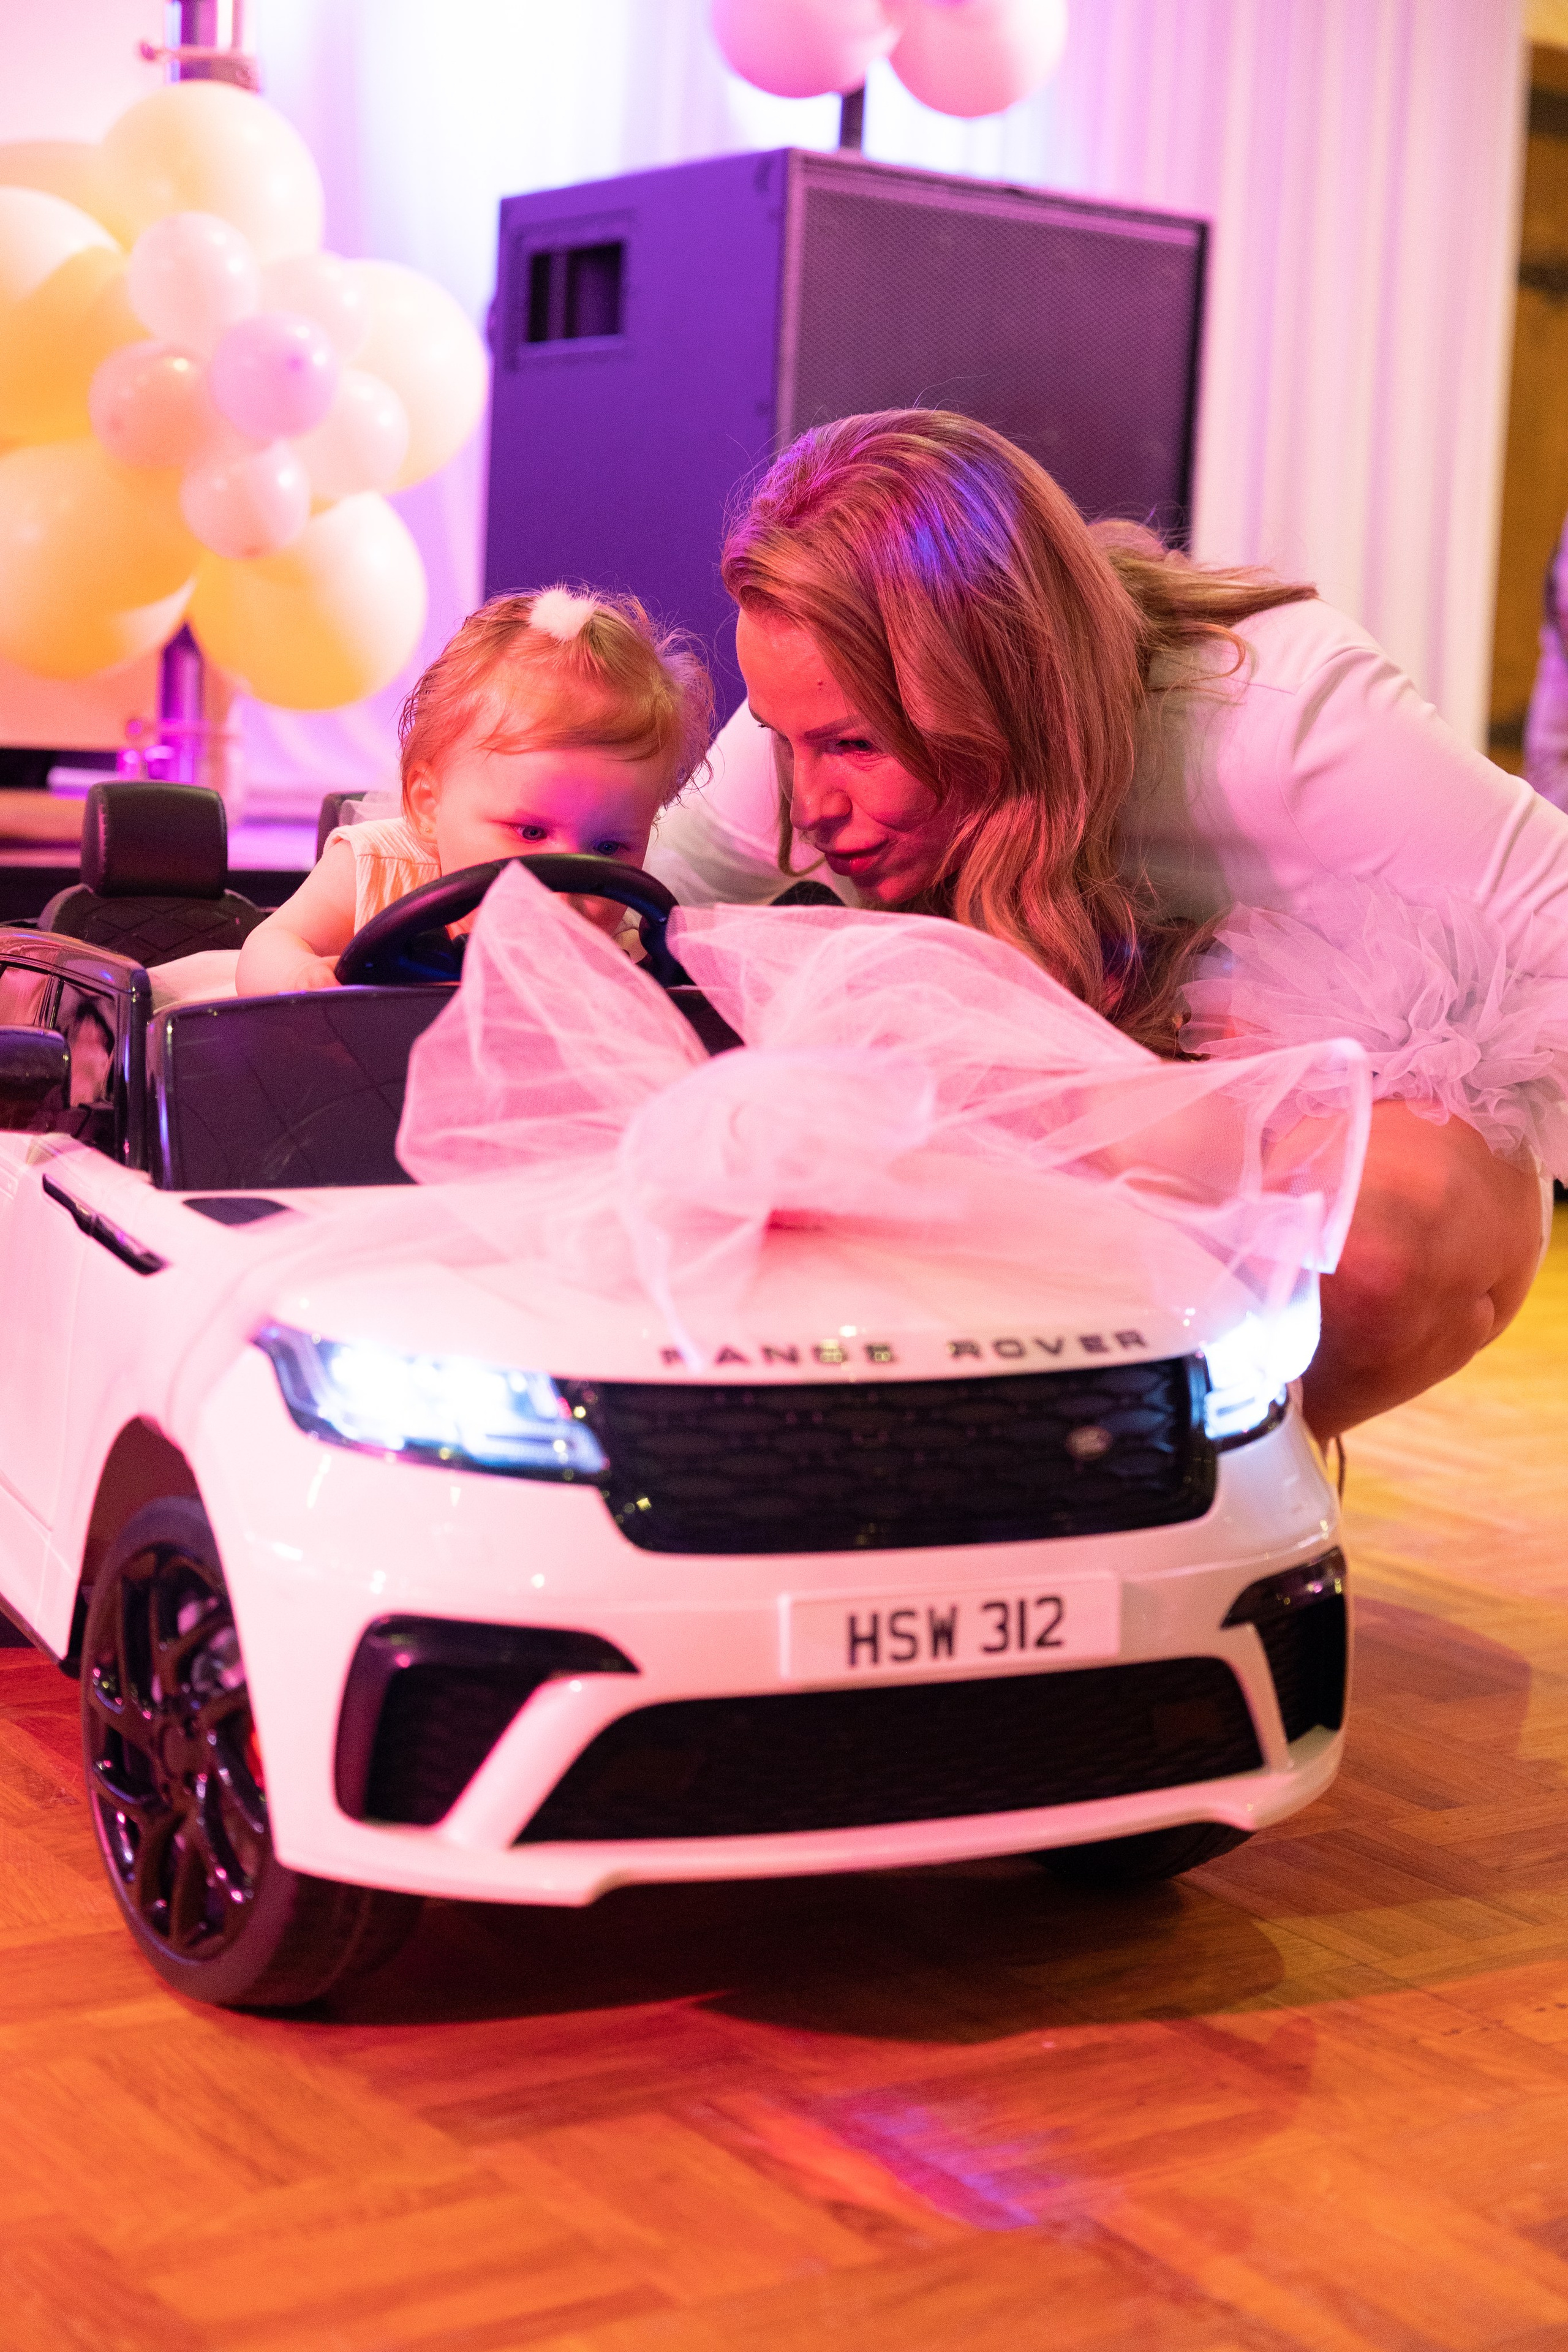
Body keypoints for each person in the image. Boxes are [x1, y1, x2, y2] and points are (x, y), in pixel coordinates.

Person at [647, 409, 1568, 1442]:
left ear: (996, 687)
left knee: (1378, 1248)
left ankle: (1235, 1481)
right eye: (783, 740)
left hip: (1320, 1105)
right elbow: (636, 910)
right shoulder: (812, 703)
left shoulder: (1283, 712)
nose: (810, 807)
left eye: (857, 748)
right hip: (1084, 1111)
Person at [236, 588, 712, 995]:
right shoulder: (377, 869)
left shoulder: (627, 934)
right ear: (429, 805)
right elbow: (271, 944)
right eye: (530, 832)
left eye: (608, 848)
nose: (567, 885)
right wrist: (300, 977)